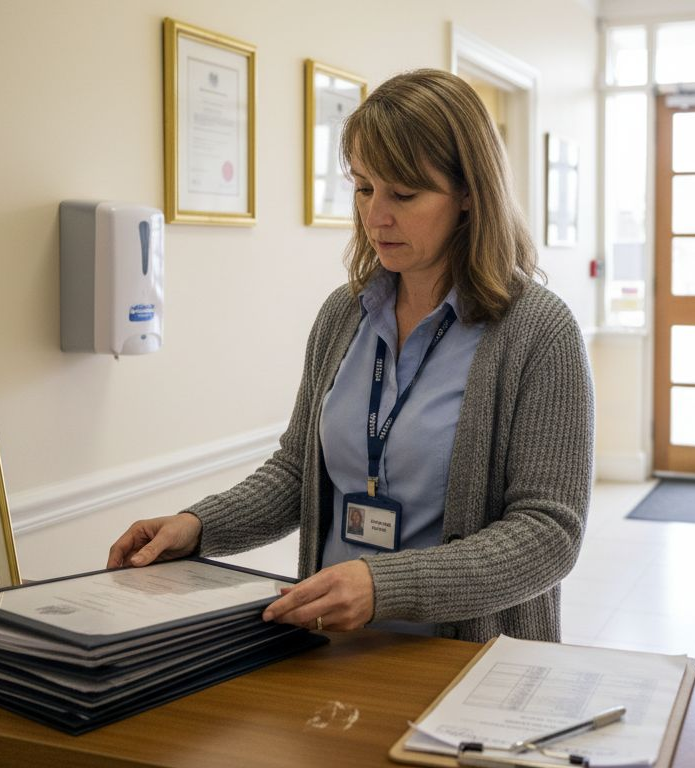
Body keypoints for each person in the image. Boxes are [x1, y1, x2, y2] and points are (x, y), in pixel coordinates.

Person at [107, 68, 593, 643]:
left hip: (467, 663)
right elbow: (297, 471)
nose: (375, 215)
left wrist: (383, 585)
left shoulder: (538, 331)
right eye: (364, 187)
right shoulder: (345, 314)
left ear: (469, 195)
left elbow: (547, 534)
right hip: (335, 649)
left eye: (403, 194)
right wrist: (198, 525)